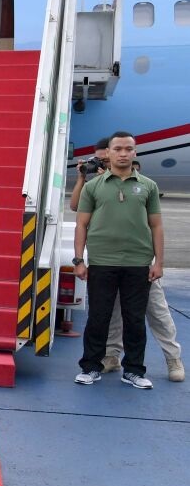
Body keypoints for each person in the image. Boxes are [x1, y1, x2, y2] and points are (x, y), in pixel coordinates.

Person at [73, 132, 164, 390]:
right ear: (108, 153)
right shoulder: (93, 187)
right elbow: (81, 224)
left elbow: (156, 226)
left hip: (138, 263)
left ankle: (133, 370)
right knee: (98, 318)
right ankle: (90, 367)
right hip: (102, 262)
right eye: (118, 149)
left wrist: (159, 262)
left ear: (135, 153)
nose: (123, 153)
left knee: (134, 320)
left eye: (128, 149)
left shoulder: (148, 186)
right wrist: (79, 260)